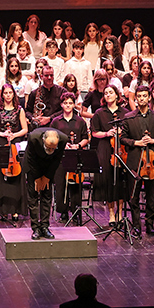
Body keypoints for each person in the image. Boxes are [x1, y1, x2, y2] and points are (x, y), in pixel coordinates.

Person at [122, 85, 154, 238]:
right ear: (136, 98)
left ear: (149, 98)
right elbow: (123, 138)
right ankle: (136, 226)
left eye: (144, 96)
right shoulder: (129, 117)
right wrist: (136, 143)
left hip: (151, 162)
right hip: (135, 161)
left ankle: (149, 225)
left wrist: (153, 140)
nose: (141, 99)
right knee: (133, 196)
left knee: (150, 196)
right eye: (139, 96)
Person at [0, 83, 29, 221]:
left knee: (16, 177)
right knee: (0, 178)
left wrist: (14, 135)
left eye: (10, 93)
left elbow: (25, 129)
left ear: (14, 94)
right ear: (2, 95)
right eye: (5, 93)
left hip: (14, 144)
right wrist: (3, 134)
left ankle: (15, 209)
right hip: (1, 143)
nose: (8, 95)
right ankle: (2, 209)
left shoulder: (19, 110)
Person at [91, 85, 129, 227]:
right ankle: (111, 213)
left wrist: (121, 132)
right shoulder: (99, 113)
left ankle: (120, 212)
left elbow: (129, 130)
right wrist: (107, 133)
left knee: (120, 180)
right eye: (106, 93)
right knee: (108, 180)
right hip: (105, 148)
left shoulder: (125, 113)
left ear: (117, 96)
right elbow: (95, 133)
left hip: (121, 149)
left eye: (110, 92)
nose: (108, 95)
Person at [22, 128, 69, 239]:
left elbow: (57, 160)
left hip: (49, 166)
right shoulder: (33, 138)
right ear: (43, 140)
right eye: (48, 148)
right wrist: (37, 178)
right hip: (33, 166)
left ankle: (44, 226)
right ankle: (35, 228)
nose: (51, 150)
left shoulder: (63, 139)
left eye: (53, 148)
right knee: (33, 197)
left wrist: (47, 177)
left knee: (47, 196)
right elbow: (31, 159)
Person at [51, 93, 90, 223]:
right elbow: (51, 139)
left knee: (76, 184)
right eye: (65, 103)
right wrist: (62, 145)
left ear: (74, 104)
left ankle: (76, 209)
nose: (68, 105)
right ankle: (63, 211)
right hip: (60, 157)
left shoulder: (80, 121)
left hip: (76, 156)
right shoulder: (56, 121)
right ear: (61, 104)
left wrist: (77, 145)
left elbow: (86, 138)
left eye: (70, 103)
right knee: (61, 184)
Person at [25, 63, 65, 129]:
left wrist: (50, 118)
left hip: (57, 126)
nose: (49, 78)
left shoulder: (62, 92)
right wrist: (33, 118)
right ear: (41, 76)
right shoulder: (34, 93)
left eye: (51, 75)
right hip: (39, 126)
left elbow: (65, 110)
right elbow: (27, 111)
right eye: (46, 75)